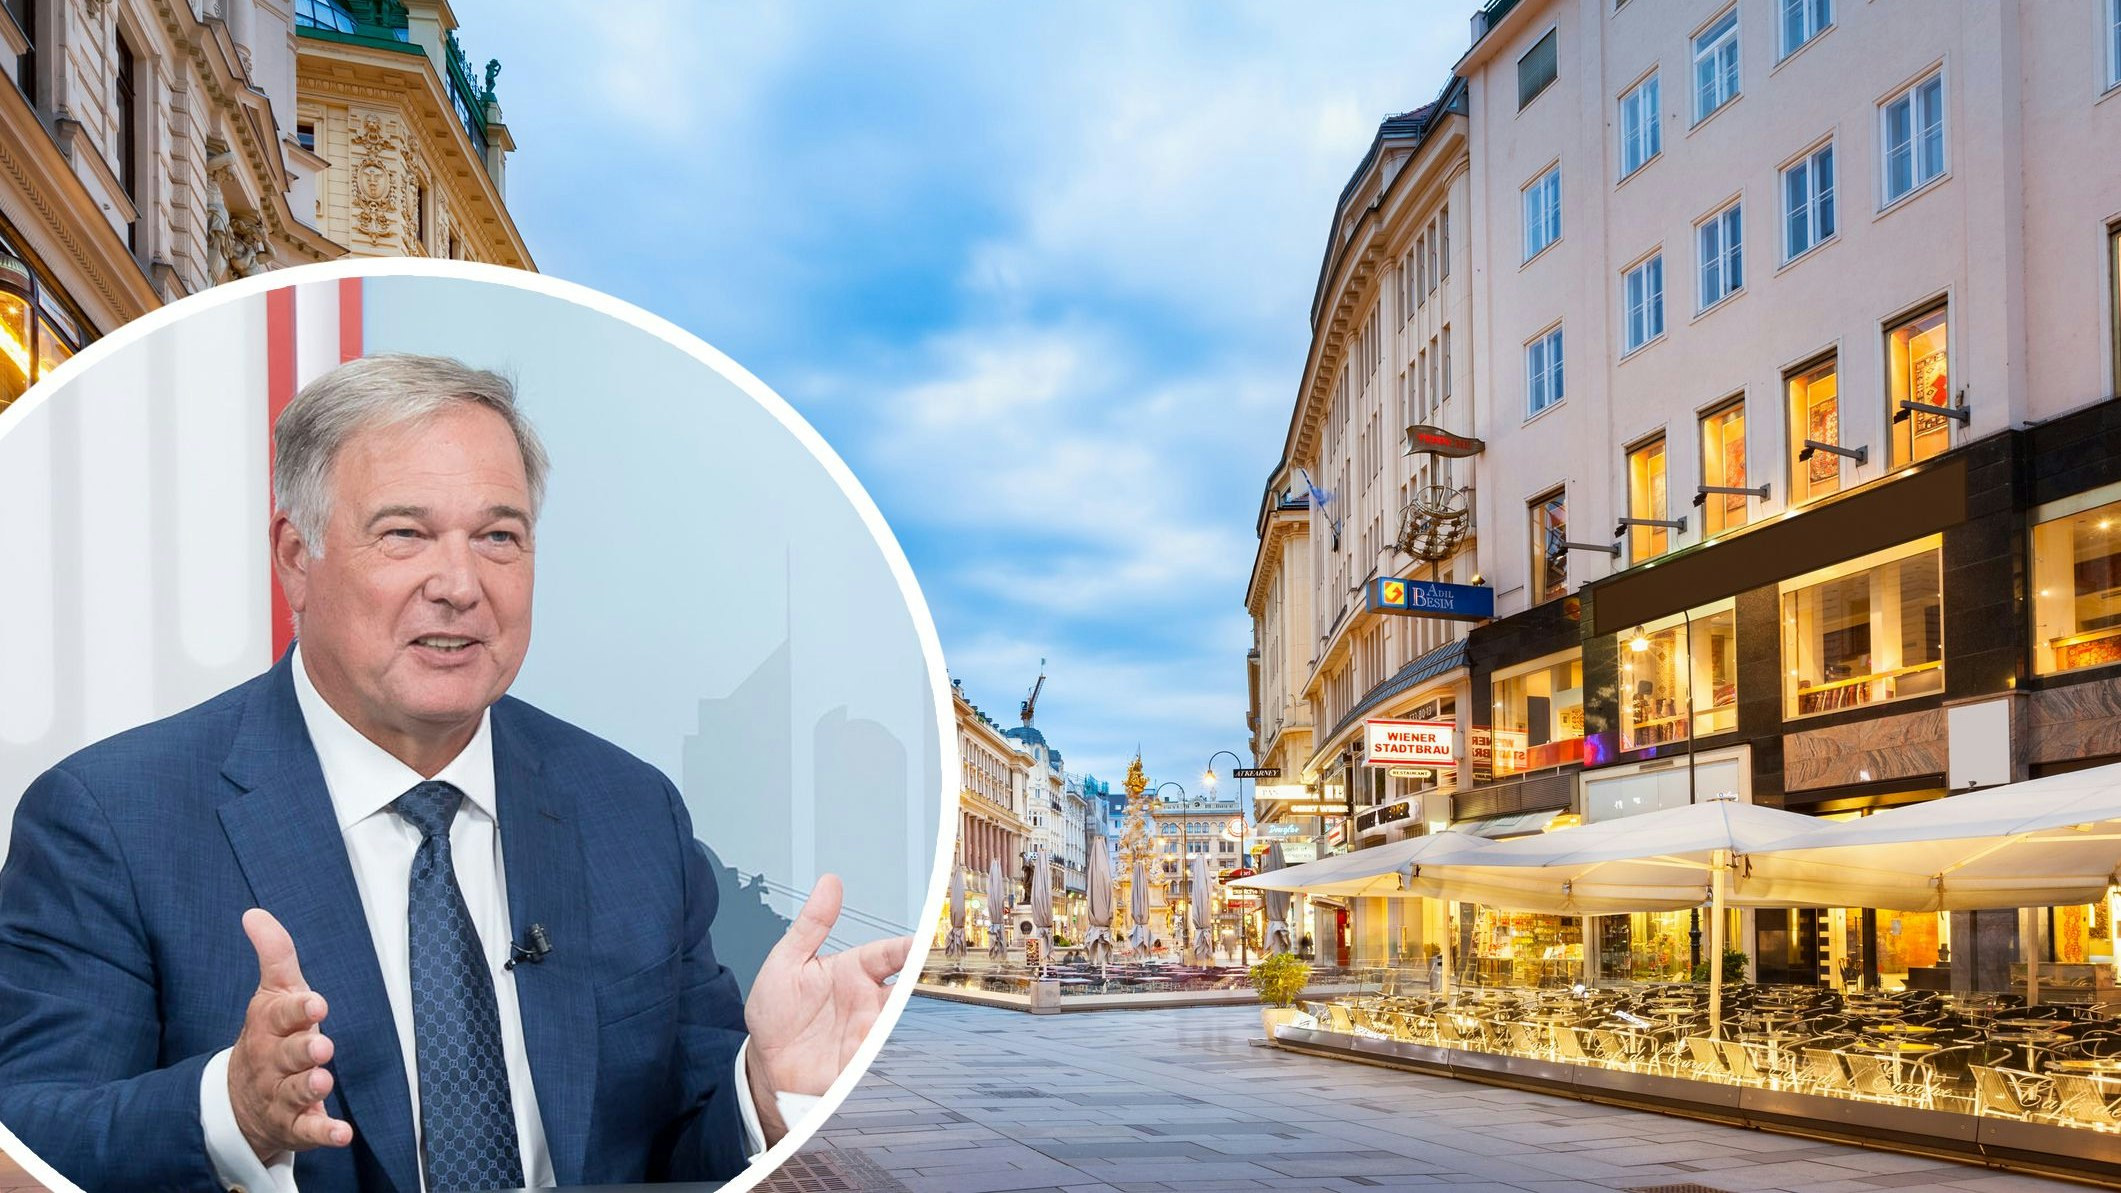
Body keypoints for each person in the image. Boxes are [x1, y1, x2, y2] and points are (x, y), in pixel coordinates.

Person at [0, 355, 912, 1192]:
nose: (460, 582)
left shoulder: (633, 812)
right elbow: (30, 1129)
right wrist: (228, 1113)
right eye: (405, 533)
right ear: (296, 559)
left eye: (499, 537)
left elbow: (678, 1139)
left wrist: (765, 1089)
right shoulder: (111, 819)